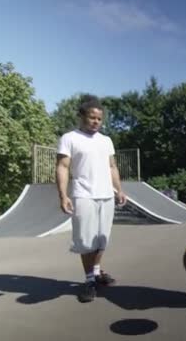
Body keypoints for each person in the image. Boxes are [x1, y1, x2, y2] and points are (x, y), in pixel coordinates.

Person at [56, 95, 126, 303]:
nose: (96, 121)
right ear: (82, 116)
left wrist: (119, 190)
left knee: (101, 239)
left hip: (106, 195)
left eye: (99, 119)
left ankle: (96, 271)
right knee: (86, 241)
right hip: (83, 194)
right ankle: (89, 281)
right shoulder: (69, 138)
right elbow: (62, 167)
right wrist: (63, 195)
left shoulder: (106, 140)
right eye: (92, 117)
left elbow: (112, 166)